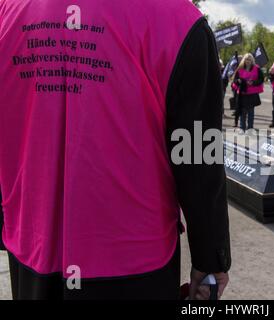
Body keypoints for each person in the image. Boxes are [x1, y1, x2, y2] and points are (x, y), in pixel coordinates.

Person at [0, 0, 231, 300]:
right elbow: (199, 155)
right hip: (135, 264)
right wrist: (210, 259)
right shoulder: (179, 20)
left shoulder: (7, 12)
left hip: (32, 247)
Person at [232, 53, 264, 133]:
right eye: (246, 59)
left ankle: (250, 128)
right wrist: (238, 81)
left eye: (249, 59)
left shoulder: (257, 68)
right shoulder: (240, 68)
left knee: (251, 112)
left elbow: (261, 79)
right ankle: (242, 128)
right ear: (244, 60)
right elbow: (235, 80)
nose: (247, 61)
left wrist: (253, 82)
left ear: (252, 60)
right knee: (242, 112)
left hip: (252, 94)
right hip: (242, 94)